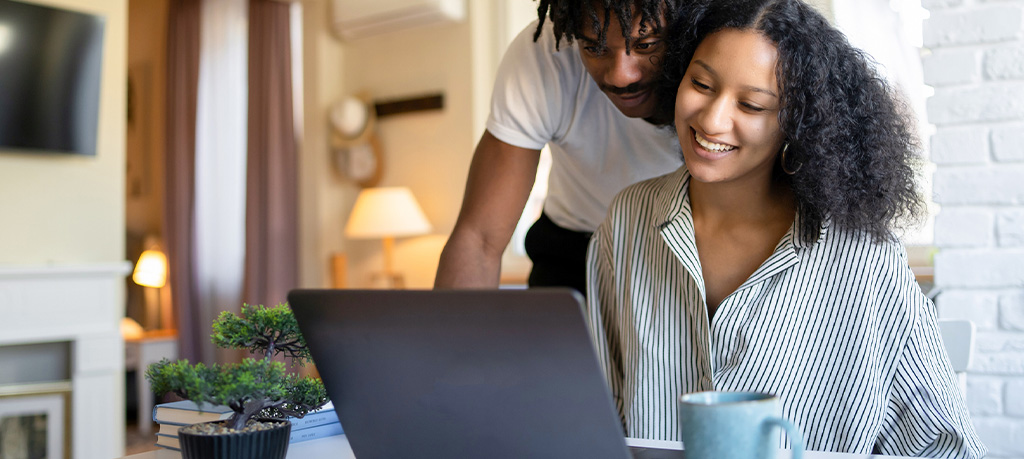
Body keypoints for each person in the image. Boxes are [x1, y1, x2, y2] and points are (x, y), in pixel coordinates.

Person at [585, 0, 987, 456]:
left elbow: (944, 446)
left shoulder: (861, 255)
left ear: (798, 123)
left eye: (752, 104)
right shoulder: (627, 222)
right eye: (700, 84)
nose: (712, 119)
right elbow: (598, 413)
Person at [434, 0, 690, 294]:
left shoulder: (725, 50)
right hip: (573, 251)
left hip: (687, 250)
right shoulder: (546, 54)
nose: (621, 75)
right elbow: (479, 240)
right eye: (595, 48)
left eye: (646, 45)